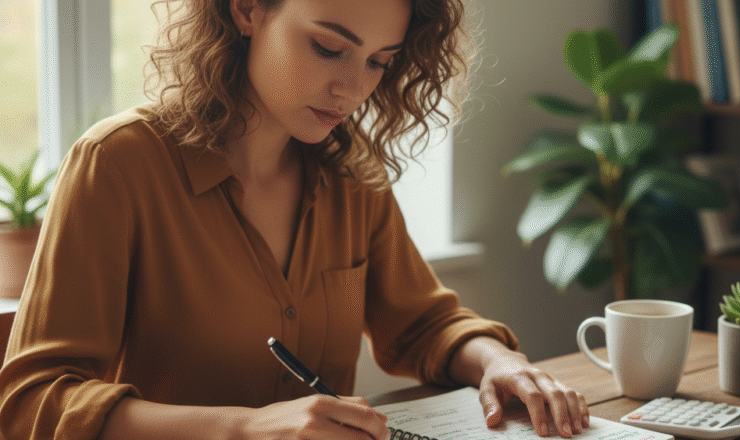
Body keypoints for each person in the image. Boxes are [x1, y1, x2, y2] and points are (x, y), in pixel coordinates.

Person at [0, 0, 590, 438]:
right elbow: (32, 402)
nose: (352, 89)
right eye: (329, 48)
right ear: (246, 9)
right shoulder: (117, 163)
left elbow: (422, 323)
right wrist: (244, 429)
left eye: (379, 62)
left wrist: (498, 360)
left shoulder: (352, 175)